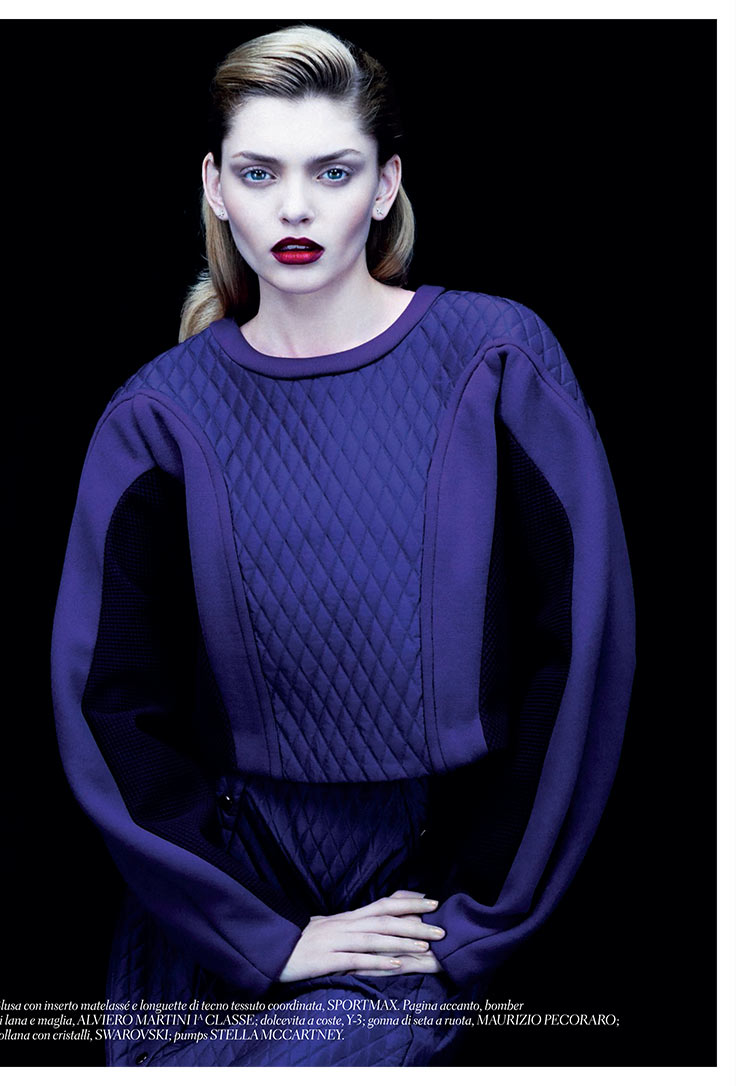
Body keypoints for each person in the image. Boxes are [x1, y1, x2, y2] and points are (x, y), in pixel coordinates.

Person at [51, 24, 636, 1067]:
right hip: (217, 891)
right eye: (258, 172)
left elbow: (583, 647)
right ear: (214, 188)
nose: (294, 208)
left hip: (431, 888)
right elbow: (108, 702)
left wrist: (475, 917)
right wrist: (261, 934)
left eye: (332, 171)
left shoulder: (494, 357)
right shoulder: (157, 414)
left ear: (384, 185)